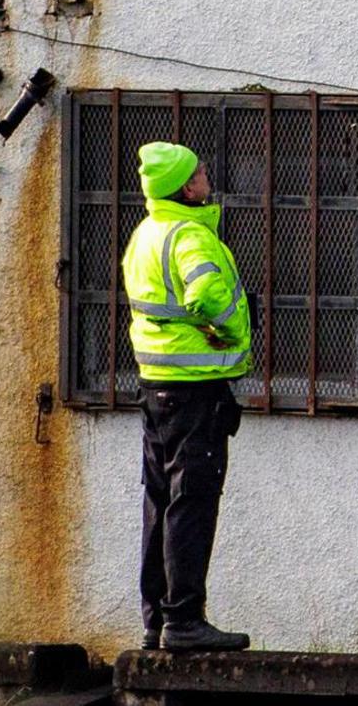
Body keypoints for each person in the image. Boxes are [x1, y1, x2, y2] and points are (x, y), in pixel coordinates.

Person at [123, 142, 253, 652]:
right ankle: (184, 620)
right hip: (196, 390)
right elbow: (209, 296)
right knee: (192, 504)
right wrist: (227, 332)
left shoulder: (146, 233)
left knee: (159, 501)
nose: (207, 177)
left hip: (155, 387)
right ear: (185, 187)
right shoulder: (190, 234)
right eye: (200, 172)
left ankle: (157, 619)